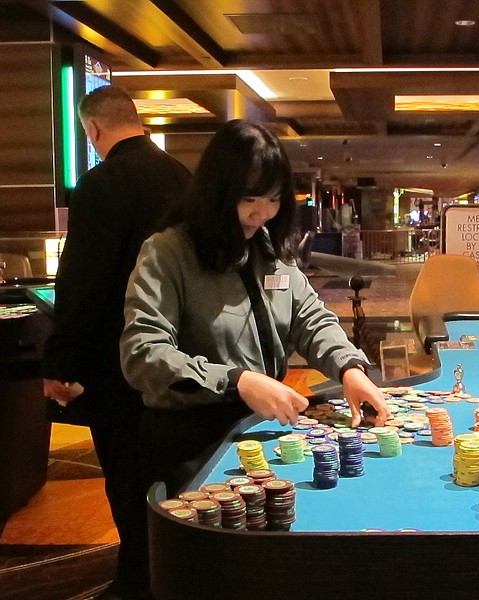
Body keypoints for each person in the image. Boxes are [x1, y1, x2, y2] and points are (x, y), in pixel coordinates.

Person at [119, 119, 391, 498]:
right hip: (192, 441)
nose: (262, 214)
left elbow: (309, 318)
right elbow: (143, 355)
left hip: (258, 429)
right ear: (217, 192)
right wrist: (237, 380)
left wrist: (349, 368)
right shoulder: (167, 252)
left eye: (275, 199)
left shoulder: (269, 246)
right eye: (249, 199)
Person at [41, 85, 190, 599]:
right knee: (174, 475)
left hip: (118, 363)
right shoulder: (184, 179)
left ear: (94, 130)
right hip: (184, 361)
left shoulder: (101, 183)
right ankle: (174, 572)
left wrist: (59, 362)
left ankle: (137, 581)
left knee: (126, 478)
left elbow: (83, 281)